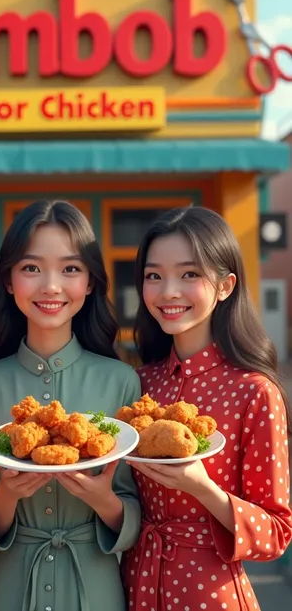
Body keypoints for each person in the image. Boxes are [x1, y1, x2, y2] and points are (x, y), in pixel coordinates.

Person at [0, 199, 141, 611]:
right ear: (9, 280)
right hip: (9, 588)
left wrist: (103, 500)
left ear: (91, 282)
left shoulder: (121, 382)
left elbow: (137, 512)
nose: (51, 285)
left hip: (96, 587)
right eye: (31, 268)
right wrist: (6, 496)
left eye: (70, 269)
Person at [121, 205, 292, 611]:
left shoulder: (254, 392)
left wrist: (203, 489)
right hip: (134, 584)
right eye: (154, 276)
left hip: (210, 593)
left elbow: (277, 533)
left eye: (189, 274)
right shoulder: (140, 383)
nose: (168, 292)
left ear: (225, 286)